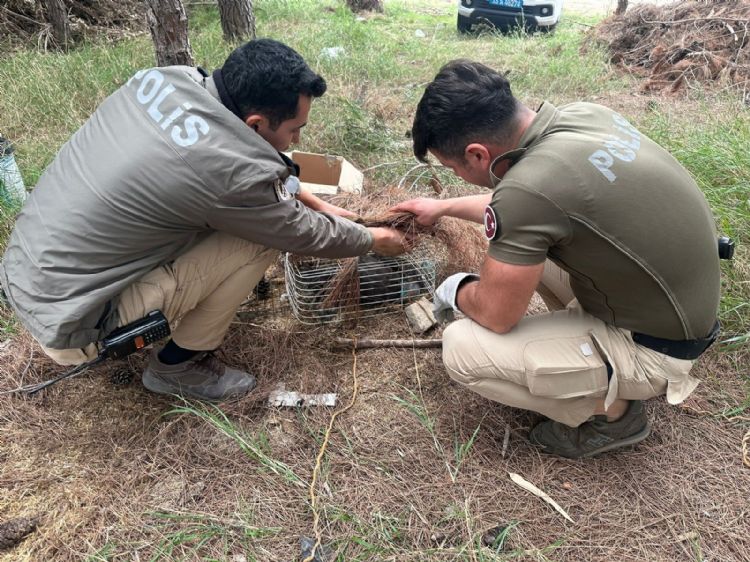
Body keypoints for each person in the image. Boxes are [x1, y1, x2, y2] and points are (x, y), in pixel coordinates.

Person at [0, 39, 408, 402]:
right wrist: (371, 239)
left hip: (27, 272)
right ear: (255, 124)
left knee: (241, 220)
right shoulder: (226, 174)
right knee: (259, 239)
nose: (298, 141)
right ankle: (177, 367)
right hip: (74, 321)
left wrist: (312, 198)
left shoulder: (165, 80)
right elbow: (298, 232)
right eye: (294, 129)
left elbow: (234, 168)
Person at [393, 60, 721, 458]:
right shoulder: (583, 117)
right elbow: (526, 206)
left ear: (478, 155)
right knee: (526, 245)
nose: (455, 176)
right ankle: (588, 353)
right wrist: (441, 207)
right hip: (674, 304)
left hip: (658, 348)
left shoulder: (531, 190)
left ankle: (613, 413)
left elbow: (498, 313)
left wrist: (455, 290)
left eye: (452, 167)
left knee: (461, 347)